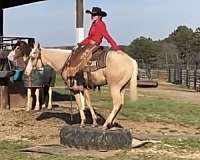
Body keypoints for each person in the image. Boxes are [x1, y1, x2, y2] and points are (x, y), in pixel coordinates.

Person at [72, 7, 120, 91]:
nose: (93, 16)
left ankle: (80, 84)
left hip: (94, 45)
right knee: (77, 56)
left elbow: (107, 36)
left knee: (80, 59)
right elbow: (89, 38)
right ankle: (81, 81)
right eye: (92, 14)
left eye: (95, 15)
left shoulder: (100, 24)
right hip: (88, 45)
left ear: (99, 16)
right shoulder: (94, 24)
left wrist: (115, 47)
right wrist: (79, 44)